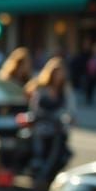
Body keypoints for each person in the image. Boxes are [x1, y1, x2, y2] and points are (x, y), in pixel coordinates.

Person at [25, 56, 74, 184]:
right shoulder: (42, 89)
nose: (59, 77)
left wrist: (68, 118)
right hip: (41, 126)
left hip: (57, 127)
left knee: (62, 148)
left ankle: (49, 173)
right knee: (38, 140)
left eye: (61, 73)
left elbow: (70, 110)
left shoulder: (64, 92)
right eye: (56, 73)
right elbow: (34, 108)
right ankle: (38, 165)